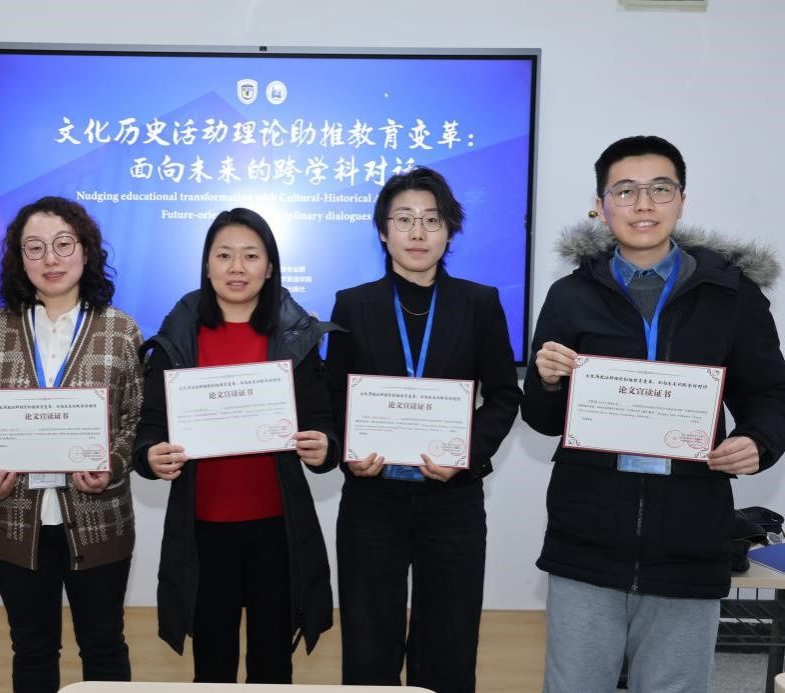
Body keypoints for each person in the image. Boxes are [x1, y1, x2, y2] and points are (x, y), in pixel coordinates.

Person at [524, 135, 785, 693]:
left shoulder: (730, 294)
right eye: (625, 191)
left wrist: (758, 440)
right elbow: (543, 419)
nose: (643, 204)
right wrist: (545, 381)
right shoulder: (570, 295)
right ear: (601, 205)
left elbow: (771, 393)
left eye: (660, 189)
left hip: (689, 537)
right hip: (587, 535)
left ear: (682, 200)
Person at [325, 167, 521, 692]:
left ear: (449, 231)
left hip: (452, 500)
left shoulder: (479, 303)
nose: (418, 232)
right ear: (383, 231)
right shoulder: (353, 304)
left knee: (448, 643)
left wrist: (466, 453)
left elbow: (504, 395)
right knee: (369, 643)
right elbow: (333, 394)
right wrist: (348, 451)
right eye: (404, 219)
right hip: (372, 498)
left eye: (432, 220)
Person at [132, 207, 338, 683]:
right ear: (207, 265)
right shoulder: (178, 336)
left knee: (273, 664)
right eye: (224, 255)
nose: (237, 268)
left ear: (270, 266)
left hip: (276, 527)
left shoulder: (296, 336)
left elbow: (322, 422)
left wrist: (324, 446)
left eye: (251, 255)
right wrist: (149, 455)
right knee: (213, 665)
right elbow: (151, 425)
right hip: (203, 529)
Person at [0, 196, 142, 692]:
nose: (50, 259)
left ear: (86, 250)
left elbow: (135, 418)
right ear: (20, 259)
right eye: (34, 248)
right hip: (16, 518)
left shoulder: (120, 330)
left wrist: (112, 464)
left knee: (104, 645)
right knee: (32, 648)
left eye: (63, 244)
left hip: (100, 519)